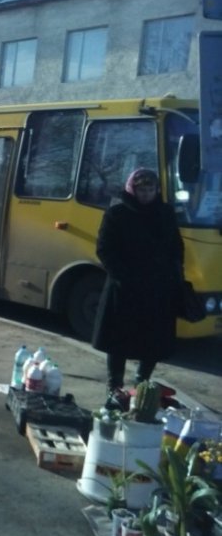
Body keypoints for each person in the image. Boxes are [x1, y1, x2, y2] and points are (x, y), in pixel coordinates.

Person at [92, 168, 184, 399]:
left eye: (150, 190)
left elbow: (176, 246)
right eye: (141, 190)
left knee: (153, 340)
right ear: (132, 190)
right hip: (125, 288)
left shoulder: (165, 212)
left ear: (157, 190)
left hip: (157, 288)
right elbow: (104, 249)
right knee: (118, 340)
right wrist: (122, 277)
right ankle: (114, 387)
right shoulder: (117, 213)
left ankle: (142, 384)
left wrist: (174, 274)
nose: (146, 194)